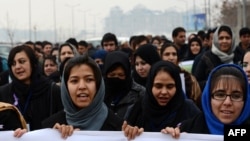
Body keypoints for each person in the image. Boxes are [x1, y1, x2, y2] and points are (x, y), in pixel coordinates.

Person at [42, 55, 143, 140]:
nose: (82, 86)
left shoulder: (119, 128)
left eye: (89, 80)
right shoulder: (50, 127)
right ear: (65, 86)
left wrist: (134, 136)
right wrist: (52, 136)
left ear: (98, 85)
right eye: (74, 81)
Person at [162, 64, 250, 137]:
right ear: (208, 98)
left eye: (236, 96)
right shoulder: (188, 130)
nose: (227, 102)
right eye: (220, 95)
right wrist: (170, 136)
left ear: (245, 100)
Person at [0, 45, 63, 131]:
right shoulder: (4, 93)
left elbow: (63, 119)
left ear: (33, 63)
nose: (17, 67)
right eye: (13, 64)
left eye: (22, 61)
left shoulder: (52, 90)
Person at [127, 60, 201, 132]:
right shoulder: (137, 110)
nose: (164, 92)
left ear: (177, 87)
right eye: (158, 86)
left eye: (170, 86)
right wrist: (130, 132)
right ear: (150, 86)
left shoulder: (189, 109)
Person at [194, 25, 241, 91]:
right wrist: (212, 83)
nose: (224, 41)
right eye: (221, 38)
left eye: (227, 38)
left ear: (232, 39)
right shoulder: (207, 58)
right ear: (216, 39)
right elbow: (196, 82)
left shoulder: (239, 54)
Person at [103, 51, 145, 120]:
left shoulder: (140, 93)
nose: (116, 78)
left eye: (121, 75)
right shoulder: (98, 92)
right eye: (112, 75)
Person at [160, 43, 201, 108]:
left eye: (174, 54)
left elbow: (197, 99)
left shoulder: (189, 77)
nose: (171, 58)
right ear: (161, 57)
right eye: (167, 54)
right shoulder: (156, 76)